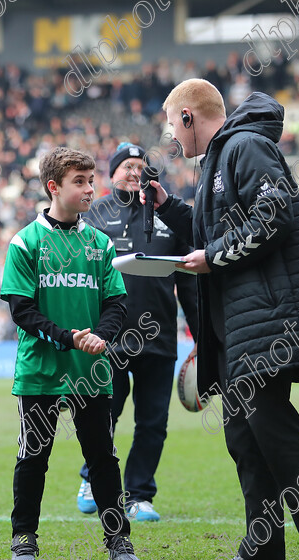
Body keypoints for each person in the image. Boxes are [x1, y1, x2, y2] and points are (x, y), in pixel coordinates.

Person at [143, 79, 299, 560]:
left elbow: (272, 214)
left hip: (267, 325)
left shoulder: (246, 145)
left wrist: (212, 257)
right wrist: (168, 207)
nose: (173, 137)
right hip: (237, 332)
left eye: (174, 124)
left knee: (278, 438)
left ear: (189, 117)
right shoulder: (219, 157)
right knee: (246, 443)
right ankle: (263, 548)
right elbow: (215, 225)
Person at [0, 147, 140, 560]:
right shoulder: (25, 242)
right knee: (33, 458)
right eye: (79, 182)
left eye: (91, 180)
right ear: (53, 187)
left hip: (90, 371)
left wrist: (100, 337)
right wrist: (68, 337)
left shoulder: (99, 243)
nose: (89, 189)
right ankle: (23, 538)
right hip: (40, 370)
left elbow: (117, 303)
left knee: (103, 459)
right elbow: (22, 311)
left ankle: (119, 541)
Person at [75, 142, 199, 522]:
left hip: (158, 338)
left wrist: (201, 336)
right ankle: (90, 478)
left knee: (152, 422)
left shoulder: (168, 214)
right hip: (106, 339)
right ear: (111, 175)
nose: (133, 171)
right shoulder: (93, 215)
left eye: (139, 166)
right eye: (125, 166)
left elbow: (189, 282)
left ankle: (139, 495)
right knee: (103, 417)